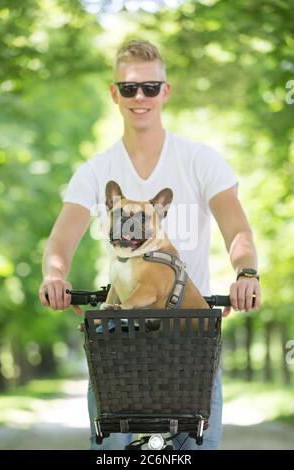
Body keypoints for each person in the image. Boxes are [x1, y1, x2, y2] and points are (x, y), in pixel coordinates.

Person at [39, 40, 261, 450]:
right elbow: (63, 236)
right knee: (110, 448)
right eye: (129, 88)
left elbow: (236, 227)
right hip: (121, 342)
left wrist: (245, 274)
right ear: (114, 93)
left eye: (150, 87)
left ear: (165, 91)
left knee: (196, 447)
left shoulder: (200, 160)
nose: (140, 97)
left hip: (188, 337)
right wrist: (55, 276)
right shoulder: (96, 170)